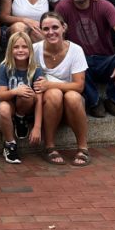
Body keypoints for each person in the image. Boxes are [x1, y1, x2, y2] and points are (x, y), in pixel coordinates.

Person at [55, 0, 115, 119]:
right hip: (81, 61)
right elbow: (54, 34)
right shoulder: (63, 7)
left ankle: (113, 101)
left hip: (105, 60)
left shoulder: (104, 6)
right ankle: (94, 102)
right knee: (72, 62)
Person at [33, 11, 90, 166]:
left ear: (64, 27)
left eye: (55, 27)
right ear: (41, 30)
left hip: (72, 101)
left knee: (72, 96)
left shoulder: (76, 50)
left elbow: (79, 86)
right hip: (48, 102)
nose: (51, 32)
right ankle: (49, 146)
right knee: (54, 94)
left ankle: (83, 147)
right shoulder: (34, 49)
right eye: (46, 29)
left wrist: (49, 84)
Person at [0, 31, 43, 165]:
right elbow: (2, 95)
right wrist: (16, 91)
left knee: (28, 93)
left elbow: (39, 99)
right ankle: (10, 144)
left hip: (27, 104)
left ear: (30, 49)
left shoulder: (35, 69)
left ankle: (20, 118)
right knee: (3, 108)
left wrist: (37, 127)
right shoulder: (5, 67)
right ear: (10, 49)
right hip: (9, 102)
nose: (20, 50)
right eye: (16, 47)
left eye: (24, 47)